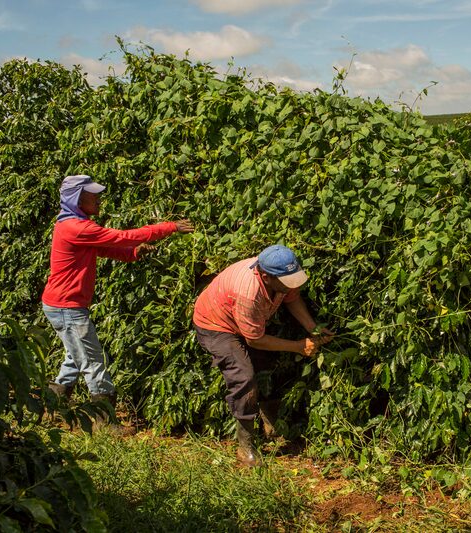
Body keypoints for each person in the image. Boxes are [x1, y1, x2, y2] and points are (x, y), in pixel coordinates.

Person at [42, 174, 193, 435]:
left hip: (64, 304)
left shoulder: (73, 224)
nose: (98, 198)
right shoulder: (78, 228)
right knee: (92, 360)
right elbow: (122, 237)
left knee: (74, 358)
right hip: (67, 306)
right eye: (93, 195)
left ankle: (49, 406)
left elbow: (105, 249)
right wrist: (169, 227)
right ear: (77, 198)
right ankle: (104, 422)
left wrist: (135, 253)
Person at [193, 244, 333, 466]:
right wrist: (298, 346)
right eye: (287, 282)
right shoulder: (248, 293)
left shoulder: (282, 274)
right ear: (266, 277)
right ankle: (245, 446)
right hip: (215, 324)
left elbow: (292, 297)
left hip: (242, 320)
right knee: (243, 376)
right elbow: (255, 340)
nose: (291, 284)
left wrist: (312, 328)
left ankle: (271, 425)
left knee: (265, 364)